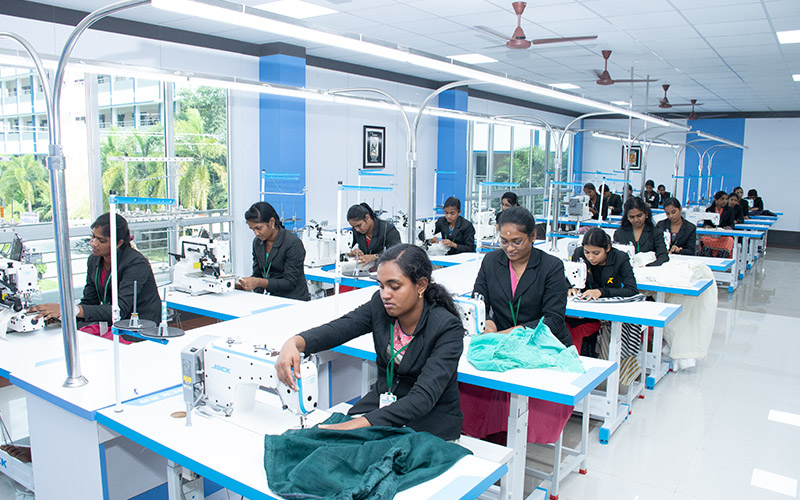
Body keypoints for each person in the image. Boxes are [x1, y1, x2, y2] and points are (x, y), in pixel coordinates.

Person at [275, 244, 464, 441]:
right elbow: (342, 327)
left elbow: (423, 397)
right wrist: (295, 343)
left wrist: (357, 424)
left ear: (421, 285)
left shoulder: (447, 328)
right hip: (382, 406)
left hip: (429, 421)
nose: (385, 294)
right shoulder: (380, 306)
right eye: (381, 286)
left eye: (394, 286)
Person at [461, 206, 572, 444]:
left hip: (540, 345)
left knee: (523, 402)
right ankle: (486, 437)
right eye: (504, 241)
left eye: (517, 242)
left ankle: (510, 439)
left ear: (533, 236)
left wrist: (512, 332)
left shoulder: (551, 267)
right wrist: (488, 321)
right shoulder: (492, 261)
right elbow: (478, 300)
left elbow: (553, 319)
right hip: (500, 341)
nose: (509, 248)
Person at [29, 213, 161, 343]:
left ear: (119, 243)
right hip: (114, 322)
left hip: (138, 326)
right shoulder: (94, 260)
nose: (93, 243)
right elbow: (90, 301)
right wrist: (60, 315)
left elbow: (120, 309)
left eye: (101, 240)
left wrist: (70, 310)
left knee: (88, 344)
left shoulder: (136, 264)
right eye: (93, 237)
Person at [238, 201, 310, 301]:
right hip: (272, 298)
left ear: (271, 222)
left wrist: (258, 282)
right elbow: (258, 274)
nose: (256, 233)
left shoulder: (292, 243)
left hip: (293, 299)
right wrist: (245, 285)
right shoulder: (257, 243)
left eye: (258, 228)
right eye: (252, 229)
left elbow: (290, 282)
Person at [569, 228, 638, 300]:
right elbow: (569, 279)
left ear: (607, 248)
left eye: (596, 253)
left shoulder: (620, 258)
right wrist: (571, 288)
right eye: (587, 252)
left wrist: (602, 292)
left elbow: (632, 290)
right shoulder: (579, 254)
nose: (591, 257)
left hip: (610, 302)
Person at [613, 197, 669, 266]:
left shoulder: (656, 233)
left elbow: (663, 256)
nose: (636, 220)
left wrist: (647, 267)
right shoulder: (619, 233)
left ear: (646, 214)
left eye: (639, 216)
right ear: (627, 217)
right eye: (632, 217)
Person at [347, 202, 402, 268]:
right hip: (364, 269)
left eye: (359, 225)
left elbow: (397, 253)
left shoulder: (388, 229)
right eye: (354, 227)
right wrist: (350, 253)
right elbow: (343, 249)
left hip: (383, 269)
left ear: (367, 218)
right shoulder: (356, 231)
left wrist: (375, 257)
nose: (357, 229)